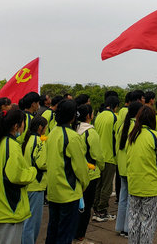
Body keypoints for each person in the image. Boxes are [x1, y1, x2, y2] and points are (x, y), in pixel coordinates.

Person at [0, 108, 36, 243]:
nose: (24, 126)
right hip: (8, 207)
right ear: (15, 126)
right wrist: (32, 171)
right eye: (23, 122)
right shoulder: (12, 145)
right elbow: (17, 176)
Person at [45, 99, 90, 244]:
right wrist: (84, 184)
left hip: (53, 190)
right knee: (65, 233)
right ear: (73, 116)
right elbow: (80, 168)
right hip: (68, 192)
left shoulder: (52, 132)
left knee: (53, 230)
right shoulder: (72, 137)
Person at [126, 105, 157, 244]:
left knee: (133, 220)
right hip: (151, 186)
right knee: (148, 222)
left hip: (134, 184)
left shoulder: (132, 136)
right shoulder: (156, 137)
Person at [75, 103, 105, 242]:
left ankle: (74, 234)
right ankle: (81, 236)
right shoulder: (90, 132)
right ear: (89, 116)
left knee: (76, 206)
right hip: (90, 173)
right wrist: (101, 167)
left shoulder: (74, 129)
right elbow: (97, 155)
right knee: (86, 207)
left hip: (76, 172)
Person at [115, 101, 143, 238]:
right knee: (131, 201)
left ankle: (120, 226)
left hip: (121, 166)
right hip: (131, 168)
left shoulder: (122, 125)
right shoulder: (137, 127)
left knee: (123, 198)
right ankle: (128, 228)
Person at [92, 93, 119, 222]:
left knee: (98, 184)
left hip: (98, 155)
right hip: (109, 156)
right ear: (115, 106)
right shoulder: (115, 118)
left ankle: (96, 209)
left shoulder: (99, 116)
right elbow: (117, 137)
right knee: (107, 186)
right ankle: (102, 211)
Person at [21, 116, 48, 244]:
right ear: (40, 127)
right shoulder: (39, 141)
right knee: (33, 222)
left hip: (27, 183)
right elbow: (42, 163)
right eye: (45, 127)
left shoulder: (27, 139)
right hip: (36, 184)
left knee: (26, 220)